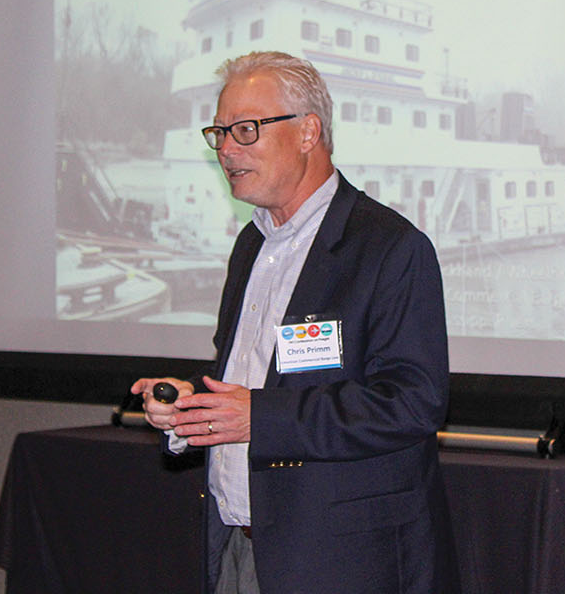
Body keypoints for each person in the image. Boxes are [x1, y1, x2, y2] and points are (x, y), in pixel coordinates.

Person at [133, 51, 458, 594]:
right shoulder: (252, 244)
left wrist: (257, 416)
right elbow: (258, 378)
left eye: (246, 130)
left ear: (308, 131)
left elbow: (413, 402)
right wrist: (195, 408)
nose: (227, 149)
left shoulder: (390, 248)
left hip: (340, 563)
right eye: (220, 132)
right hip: (237, 544)